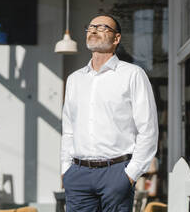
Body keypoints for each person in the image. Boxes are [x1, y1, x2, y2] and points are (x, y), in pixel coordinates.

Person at [60, 14, 159, 212]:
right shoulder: (75, 79)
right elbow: (68, 129)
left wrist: (130, 174)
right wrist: (66, 169)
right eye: (91, 27)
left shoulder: (132, 75)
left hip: (116, 172)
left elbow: (147, 129)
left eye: (103, 27)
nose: (94, 30)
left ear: (116, 38)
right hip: (78, 174)